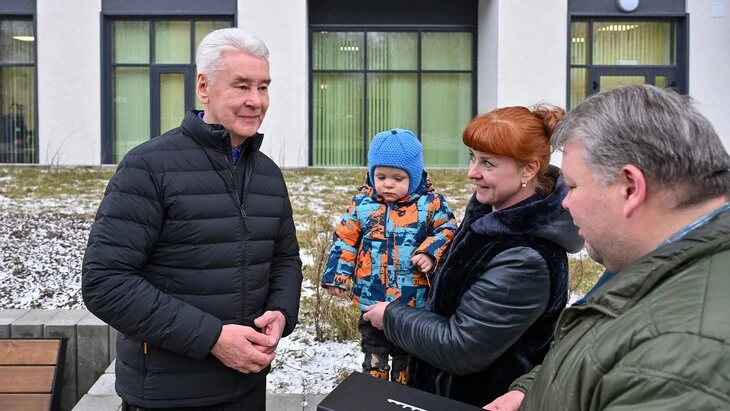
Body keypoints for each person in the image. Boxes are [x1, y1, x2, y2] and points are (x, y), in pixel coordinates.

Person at [82, 28, 302, 410]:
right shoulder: (148, 167)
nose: (255, 100)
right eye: (241, 86)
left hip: (247, 388)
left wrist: (282, 312)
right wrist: (213, 338)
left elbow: (285, 259)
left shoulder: (268, 175)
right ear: (204, 86)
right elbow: (105, 282)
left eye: (263, 87)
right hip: (167, 396)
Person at [485, 85, 730, 410]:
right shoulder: (652, 259)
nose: (566, 203)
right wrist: (529, 392)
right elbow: (601, 347)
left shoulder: (685, 358)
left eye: (573, 186)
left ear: (630, 188)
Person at [364, 106, 583, 407]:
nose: (471, 173)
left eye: (487, 163)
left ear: (529, 169)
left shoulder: (526, 258)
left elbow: (460, 347)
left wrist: (391, 316)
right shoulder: (489, 216)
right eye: (472, 157)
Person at [322, 128, 457, 384]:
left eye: (398, 178)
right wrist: (338, 276)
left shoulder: (431, 204)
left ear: (414, 177)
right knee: (374, 349)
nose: (388, 184)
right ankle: (375, 387)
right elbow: (345, 239)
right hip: (372, 297)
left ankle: (404, 390)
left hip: (412, 302)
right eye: (381, 176)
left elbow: (447, 230)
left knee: (408, 354)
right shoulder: (362, 205)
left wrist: (430, 252)